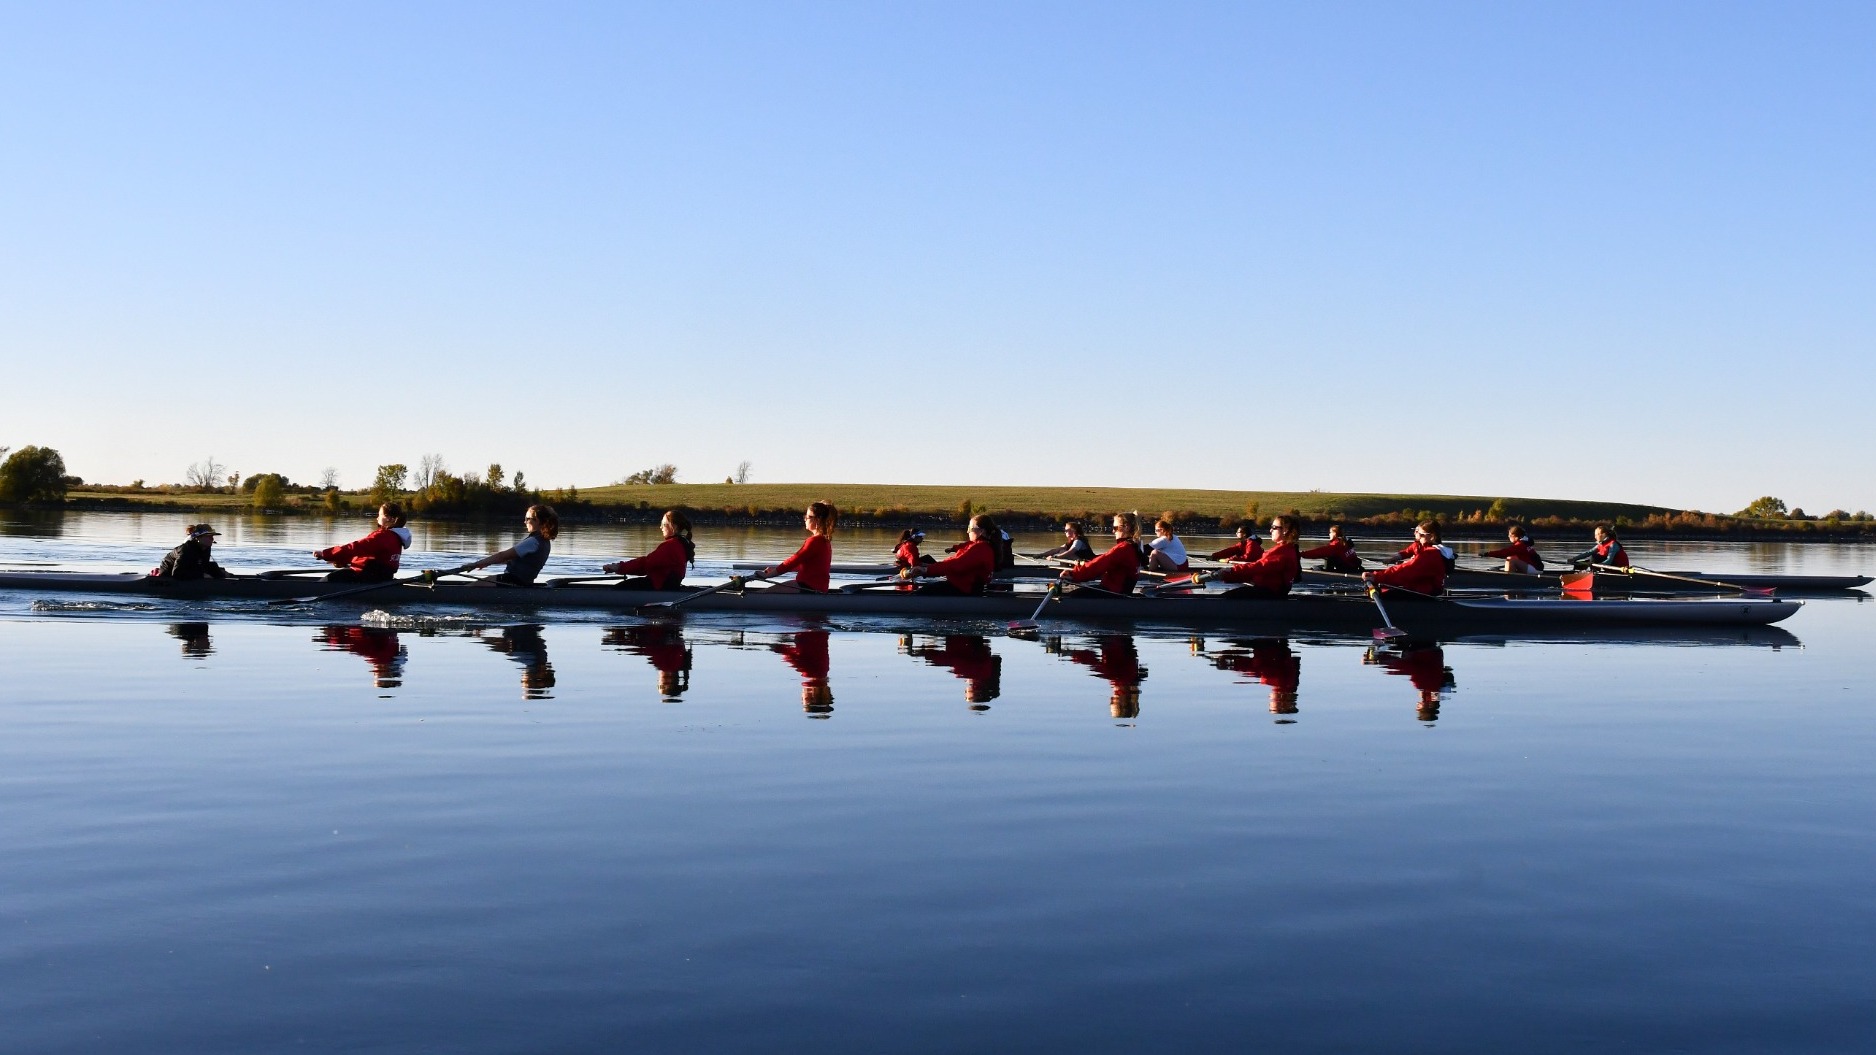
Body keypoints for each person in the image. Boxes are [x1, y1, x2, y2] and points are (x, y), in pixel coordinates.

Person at [1196, 515, 1302, 598]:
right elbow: (1254, 569)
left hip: (1270, 594)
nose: (1270, 531)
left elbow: (1257, 567)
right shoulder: (1286, 549)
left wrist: (1229, 571)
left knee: (1225, 598)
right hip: (1270, 591)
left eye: (1274, 527)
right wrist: (1227, 574)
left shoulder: (1281, 552)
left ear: (1285, 530)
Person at [745, 501, 836, 593]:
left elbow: (793, 561)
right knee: (774, 589)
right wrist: (774, 570)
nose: (805, 519)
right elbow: (806, 565)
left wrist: (768, 576)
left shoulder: (814, 541)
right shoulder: (824, 541)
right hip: (815, 588)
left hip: (809, 588)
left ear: (817, 520)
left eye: (808, 517)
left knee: (762, 594)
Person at [462, 504, 559, 585]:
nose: (524, 522)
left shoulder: (533, 541)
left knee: (473, 587)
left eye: (527, 518)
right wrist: (484, 563)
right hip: (524, 582)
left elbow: (502, 556)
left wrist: (475, 564)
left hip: (513, 581)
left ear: (537, 520)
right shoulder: (544, 541)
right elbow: (512, 559)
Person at [903, 515, 999, 595]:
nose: (967, 532)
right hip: (963, 587)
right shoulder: (979, 546)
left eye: (969, 528)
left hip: (964, 589)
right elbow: (952, 562)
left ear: (981, 531)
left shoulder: (980, 548)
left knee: (919, 594)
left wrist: (926, 570)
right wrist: (929, 567)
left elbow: (955, 565)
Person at [313, 502, 408, 583]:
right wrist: (342, 561)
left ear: (389, 519)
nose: (377, 518)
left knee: (327, 580)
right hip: (382, 578)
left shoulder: (383, 536)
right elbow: (367, 555)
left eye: (379, 515)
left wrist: (326, 554)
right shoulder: (396, 536)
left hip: (368, 577)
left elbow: (355, 547)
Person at [603, 510, 695, 590]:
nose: (660, 527)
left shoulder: (671, 546)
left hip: (659, 587)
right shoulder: (681, 544)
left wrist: (619, 567)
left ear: (673, 527)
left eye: (663, 524)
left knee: (618, 589)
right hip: (667, 587)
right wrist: (621, 569)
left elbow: (645, 564)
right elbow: (647, 567)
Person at [1058, 512, 1145, 596]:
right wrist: (1082, 566)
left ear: (1126, 527)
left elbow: (1099, 565)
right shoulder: (1134, 546)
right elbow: (1103, 559)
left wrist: (1074, 574)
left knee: (1074, 595)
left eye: (1115, 528)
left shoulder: (1123, 548)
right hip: (1119, 592)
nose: (1113, 531)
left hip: (1114, 594)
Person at [1362, 520, 1450, 597]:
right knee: (1383, 589)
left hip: (1426, 592)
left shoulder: (1430, 553)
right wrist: (1394, 559)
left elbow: (1406, 571)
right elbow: (1407, 554)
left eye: (1419, 534)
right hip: (1419, 587)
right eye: (1416, 531)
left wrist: (1376, 577)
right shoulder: (1422, 547)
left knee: (1384, 593)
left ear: (1432, 537)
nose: (1416, 535)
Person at [153, 524, 229, 580]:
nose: (212, 539)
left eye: (212, 537)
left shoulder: (206, 547)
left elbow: (203, 565)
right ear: (198, 538)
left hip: (191, 568)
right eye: (208, 536)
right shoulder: (186, 550)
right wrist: (201, 575)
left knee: (214, 566)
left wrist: (220, 572)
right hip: (169, 574)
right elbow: (177, 573)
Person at [1298, 524, 1363, 573]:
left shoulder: (1336, 545)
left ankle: (1326, 573)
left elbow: (1319, 552)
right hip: (1353, 568)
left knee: (1320, 564)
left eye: (1330, 532)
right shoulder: (1346, 543)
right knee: (1325, 561)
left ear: (1334, 534)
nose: (1329, 534)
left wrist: (1302, 554)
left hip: (1347, 571)